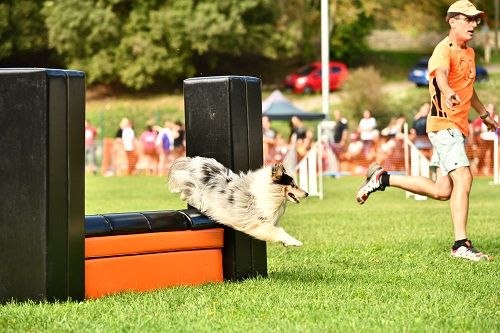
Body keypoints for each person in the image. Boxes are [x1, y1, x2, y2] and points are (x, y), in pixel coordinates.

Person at [356, 0, 499, 262]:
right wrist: (448, 92)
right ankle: (460, 245)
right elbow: (441, 76)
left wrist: (484, 115)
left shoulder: (469, 53)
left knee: (442, 191)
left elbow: (468, 87)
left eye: (476, 19)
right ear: (452, 21)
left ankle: (382, 179)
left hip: (458, 128)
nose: (474, 24)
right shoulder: (442, 51)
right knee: (464, 179)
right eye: (468, 19)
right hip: (444, 126)